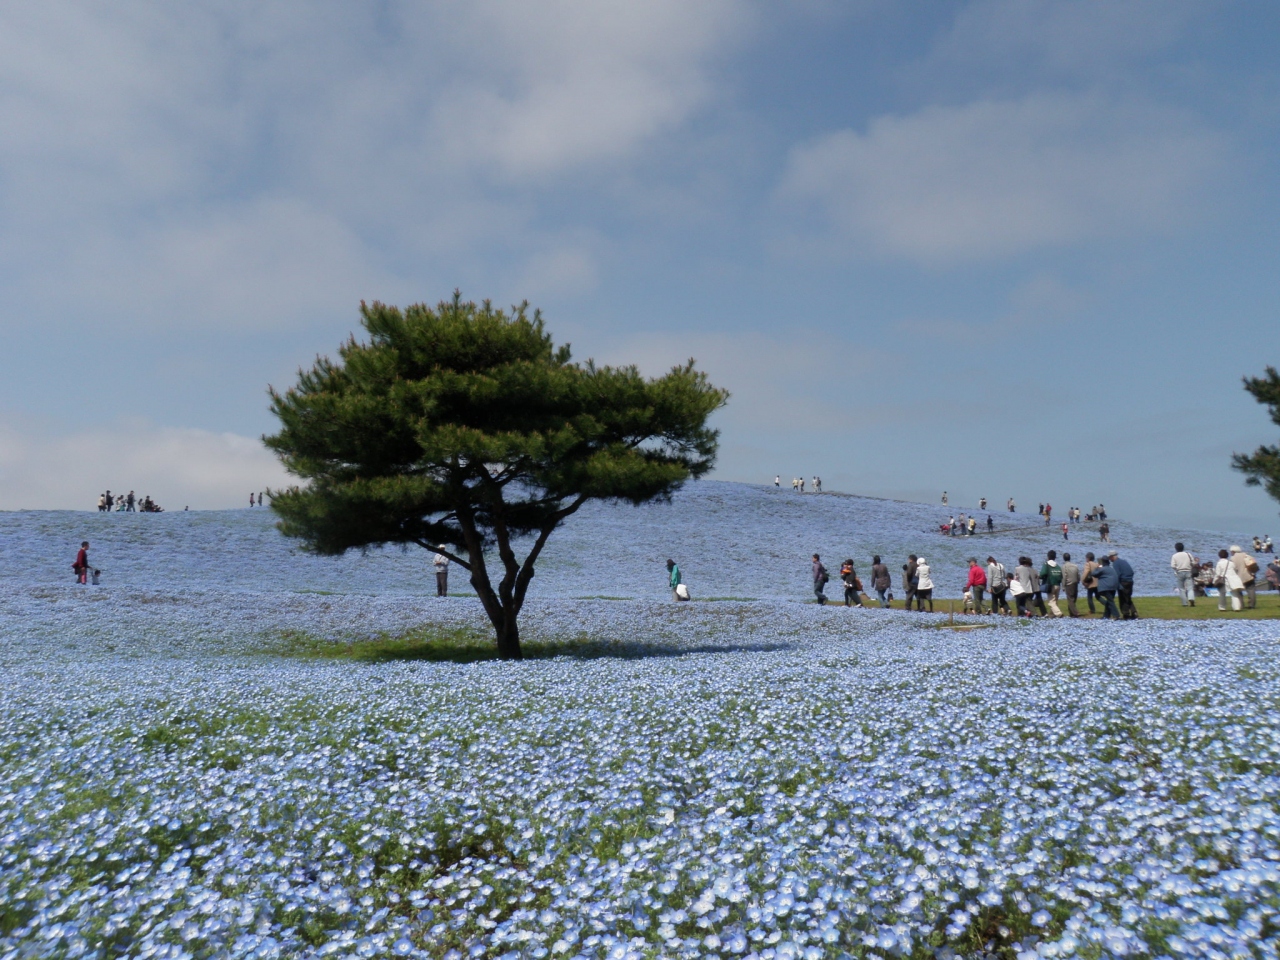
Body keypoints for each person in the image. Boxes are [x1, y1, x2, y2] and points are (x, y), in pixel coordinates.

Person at [1110, 550, 1137, 619]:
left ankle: (1126, 614)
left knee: (1122, 599)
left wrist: (1116, 584)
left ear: (1112, 557)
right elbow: (1132, 572)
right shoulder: (1124, 561)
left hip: (1123, 582)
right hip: (1130, 581)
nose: (1109, 559)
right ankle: (1134, 612)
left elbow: (1117, 575)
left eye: (1110, 557)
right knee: (1128, 597)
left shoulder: (1115, 563)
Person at [1230, 545, 1259, 609]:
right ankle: (1251, 605)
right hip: (1248, 575)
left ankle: (1241, 605)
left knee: (1238, 591)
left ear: (1233, 551)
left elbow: (1233, 568)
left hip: (1238, 577)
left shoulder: (1232, 558)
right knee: (1251, 590)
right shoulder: (1246, 555)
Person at [1039, 550, 1065, 617]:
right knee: (1055, 601)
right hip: (1058, 585)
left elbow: (1043, 573)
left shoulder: (1046, 564)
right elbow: (1061, 576)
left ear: (1048, 557)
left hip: (1050, 585)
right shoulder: (1058, 566)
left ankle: (1059, 613)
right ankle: (1052, 614)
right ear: (1055, 557)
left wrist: (1039, 577)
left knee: (1051, 602)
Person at [1171, 543, 1196, 607]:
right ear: (1183, 548)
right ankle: (1191, 598)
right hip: (1188, 571)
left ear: (1176, 548)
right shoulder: (1188, 554)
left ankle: (1184, 603)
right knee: (1190, 587)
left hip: (1180, 572)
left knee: (1181, 588)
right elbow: (1193, 563)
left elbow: (1173, 566)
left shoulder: (1174, 556)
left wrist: (1177, 568)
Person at [1061, 552, 1081, 617]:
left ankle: (1075, 612)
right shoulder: (1075, 565)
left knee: (1070, 599)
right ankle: (1071, 613)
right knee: (1073, 598)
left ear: (1064, 559)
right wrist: (1078, 581)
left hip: (1069, 584)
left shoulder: (1064, 566)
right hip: (1075, 583)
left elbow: (1064, 577)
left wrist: (1063, 586)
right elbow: (1078, 575)